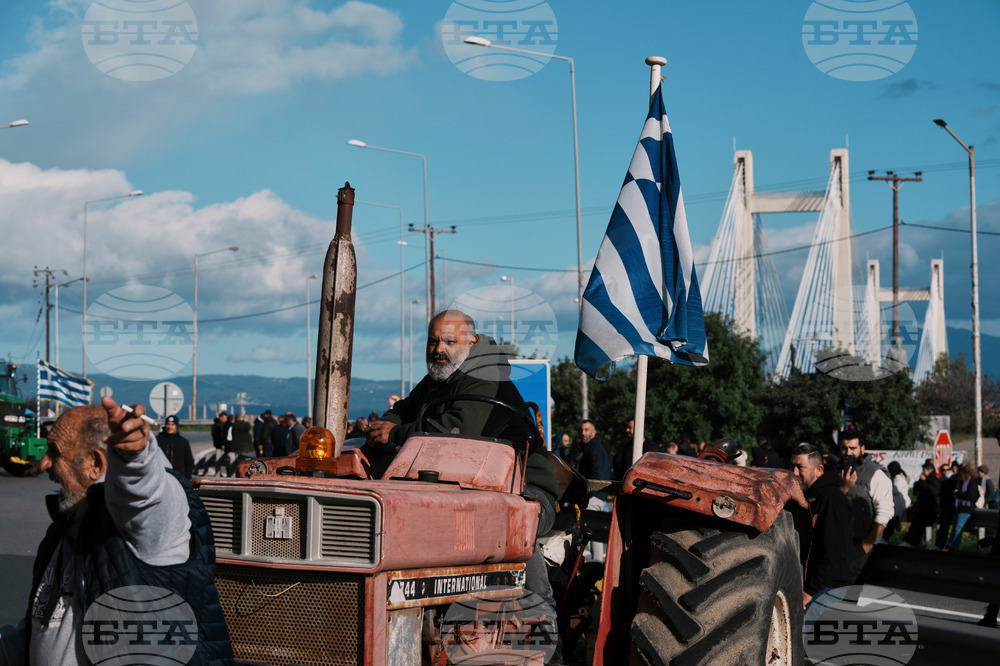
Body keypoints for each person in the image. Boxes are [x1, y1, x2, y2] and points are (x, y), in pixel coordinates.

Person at [366, 310, 561, 662]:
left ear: (471, 342)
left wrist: (393, 435)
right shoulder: (436, 380)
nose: (438, 349)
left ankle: (544, 644)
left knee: (513, 523)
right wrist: (386, 427)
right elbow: (401, 411)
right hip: (466, 489)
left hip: (523, 488)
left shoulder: (484, 376)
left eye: (449, 341)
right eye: (433, 340)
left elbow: (455, 430)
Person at [0, 397, 233, 665]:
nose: (44, 464)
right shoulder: (68, 523)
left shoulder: (153, 518)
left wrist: (133, 457)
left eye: (55, 452)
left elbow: (142, 495)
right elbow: (44, 626)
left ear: (95, 465)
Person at [790, 443, 853, 607]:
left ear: (819, 470)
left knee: (808, 632)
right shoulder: (807, 498)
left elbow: (833, 553)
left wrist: (809, 592)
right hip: (812, 586)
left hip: (825, 590)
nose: (794, 473)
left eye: (800, 467)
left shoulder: (832, 499)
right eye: (793, 466)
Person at [838, 426, 892, 582]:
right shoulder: (836, 471)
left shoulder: (876, 473)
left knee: (850, 594)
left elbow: (885, 512)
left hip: (860, 543)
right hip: (838, 541)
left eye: (852, 448)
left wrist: (867, 544)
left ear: (862, 448)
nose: (848, 452)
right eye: (844, 448)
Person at [579, 420, 612, 563]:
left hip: (594, 496)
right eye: (582, 430)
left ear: (594, 432)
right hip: (597, 496)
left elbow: (597, 473)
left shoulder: (594, 448)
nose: (583, 433)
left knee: (593, 537)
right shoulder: (593, 447)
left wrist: (591, 491)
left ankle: (596, 571)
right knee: (593, 536)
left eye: (586, 430)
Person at [944, 463, 981, 550]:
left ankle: (954, 546)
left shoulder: (972, 481)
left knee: (958, 528)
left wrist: (958, 493)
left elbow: (971, 496)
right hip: (959, 507)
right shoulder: (960, 481)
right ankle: (950, 544)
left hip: (966, 508)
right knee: (954, 528)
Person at [902, 462, 940, 547]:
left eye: (924, 470)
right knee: (916, 524)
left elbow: (930, 491)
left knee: (919, 525)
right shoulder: (925, 479)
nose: (923, 472)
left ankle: (912, 541)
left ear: (930, 470)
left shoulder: (934, 480)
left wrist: (923, 482)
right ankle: (910, 541)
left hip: (928, 507)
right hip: (922, 506)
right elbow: (918, 489)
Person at [155, 414, 194, 480]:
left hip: (179, 478)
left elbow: (189, 462)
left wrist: (187, 478)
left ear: (177, 426)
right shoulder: (157, 440)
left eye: (172, 424)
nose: (170, 427)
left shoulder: (183, 441)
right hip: (161, 477)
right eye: (168, 424)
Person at [884, 461, 911, 541]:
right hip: (898, 502)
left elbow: (895, 490)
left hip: (900, 503)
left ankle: (887, 537)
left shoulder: (899, 479)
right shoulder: (899, 477)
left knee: (893, 520)